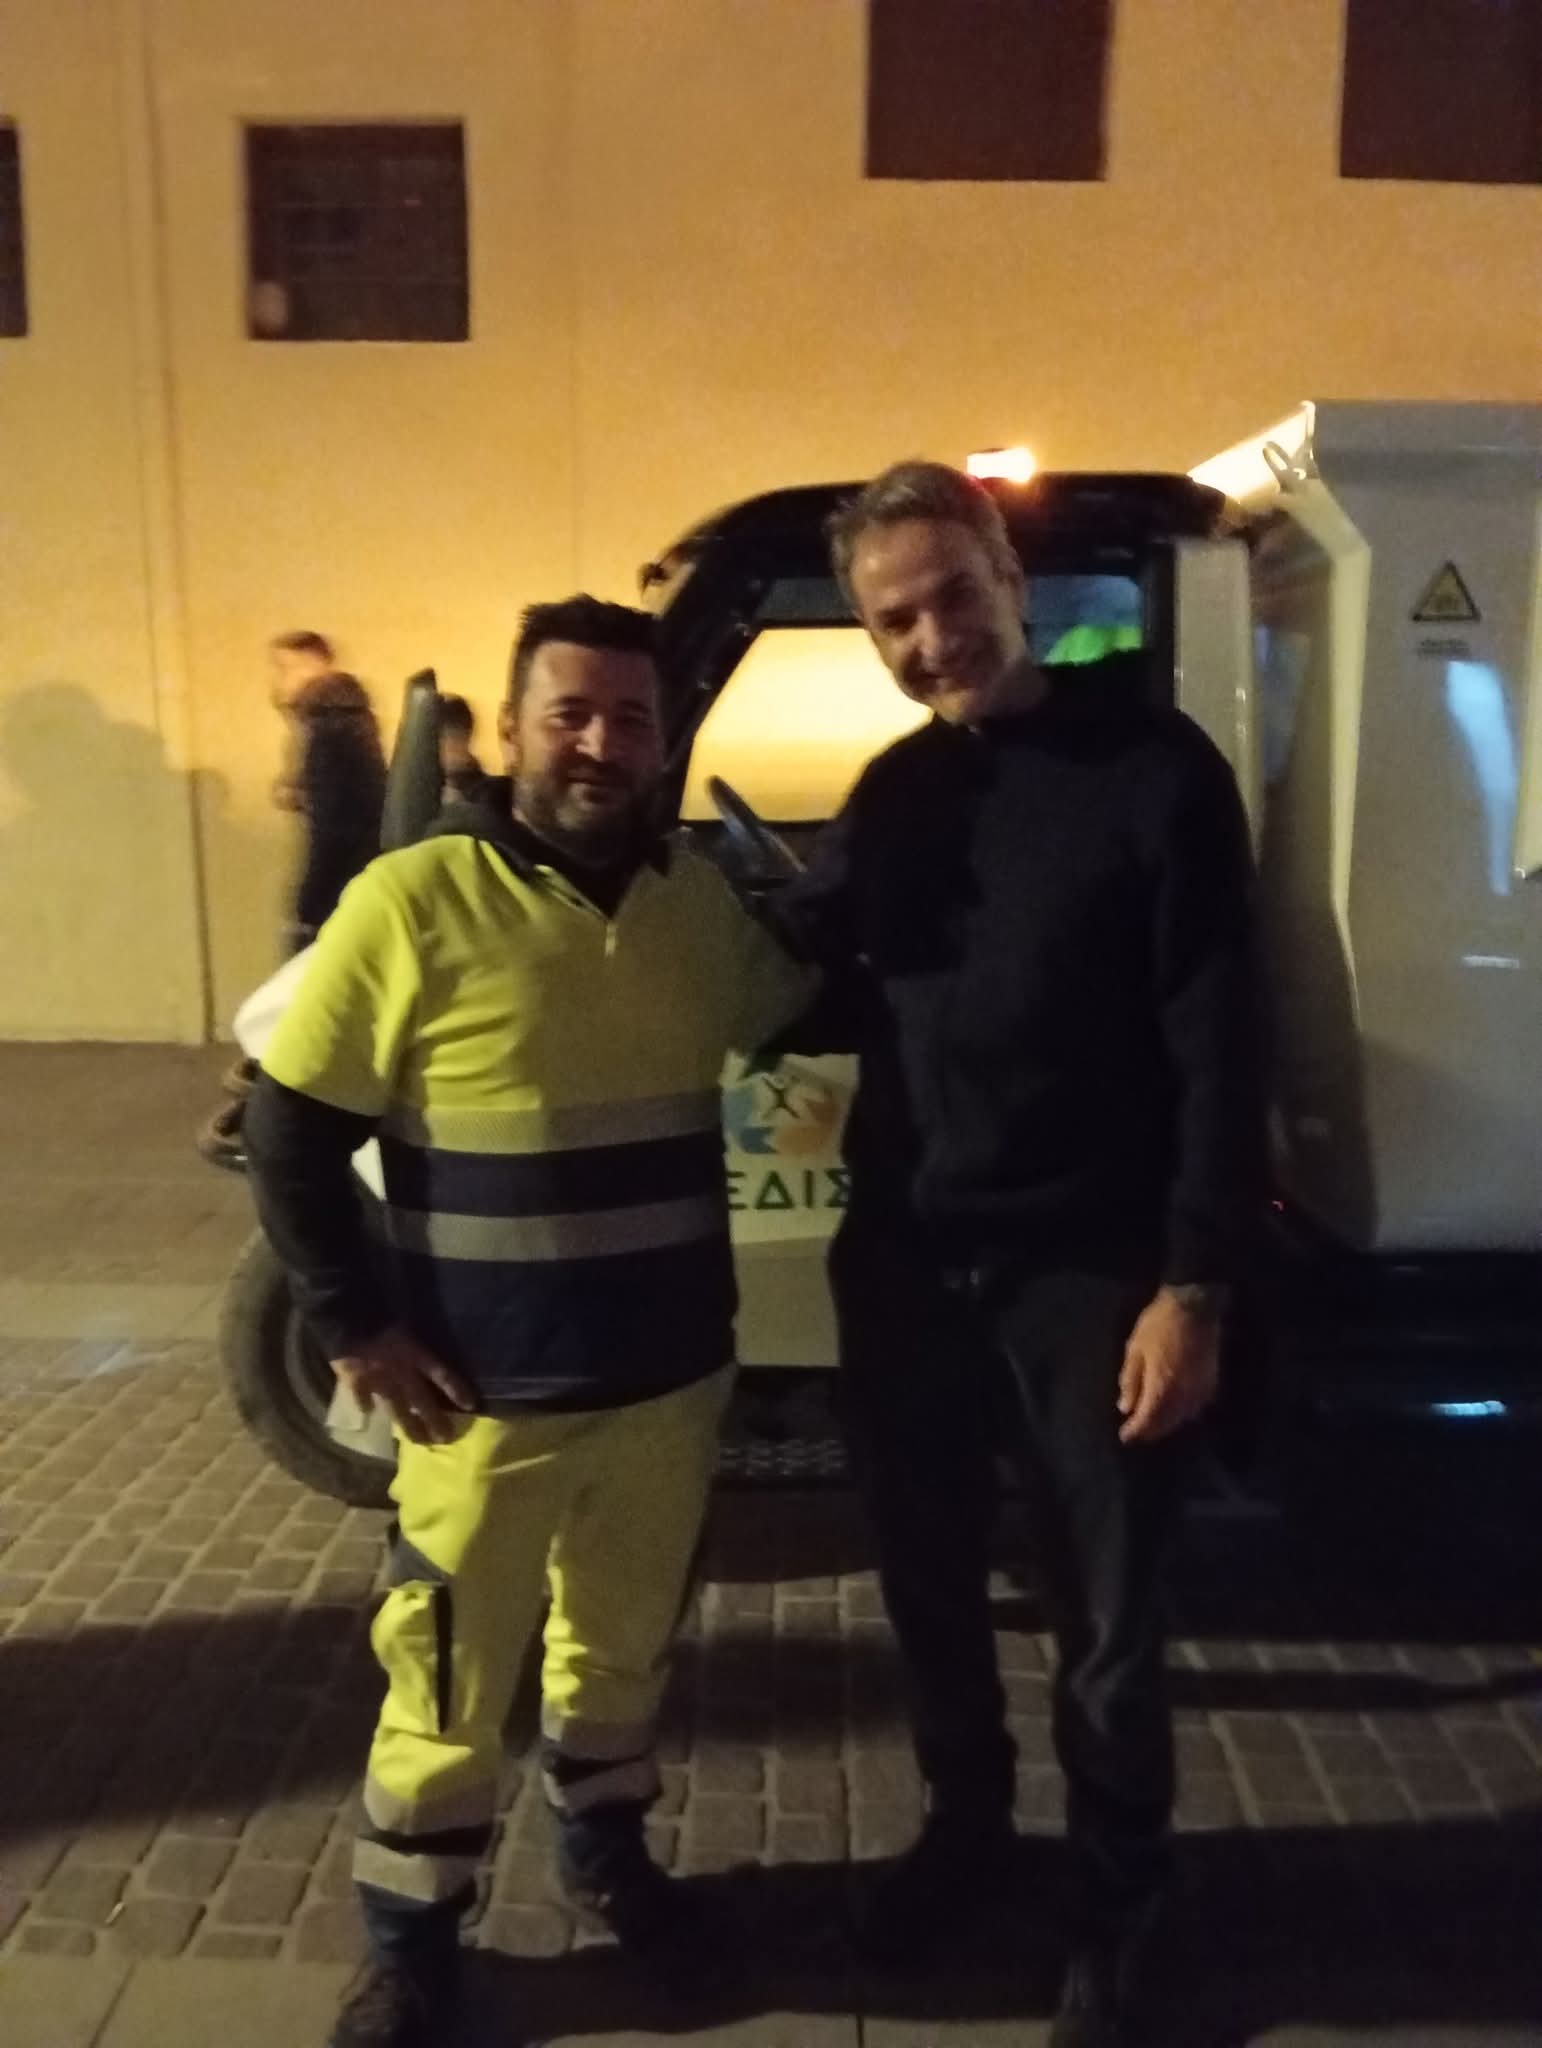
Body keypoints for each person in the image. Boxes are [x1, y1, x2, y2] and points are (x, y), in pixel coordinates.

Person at [245, 596, 811, 2048]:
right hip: (480, 1398)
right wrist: (354, 1326)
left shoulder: (697, 909)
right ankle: (409, 1942)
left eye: (630, 717)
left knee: (618, 1658)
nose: (600, 743)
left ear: (663, 738)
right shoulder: (415, 900)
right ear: (510, 728)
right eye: (570, 713)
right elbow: (290, 1126)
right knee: (445, 1677)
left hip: (666, 1386)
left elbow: (810, 1003)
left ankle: (609, 1859)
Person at [784, 462, 1265, 2047]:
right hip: (907, 1268)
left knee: (1105, 1628)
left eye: (952, 593)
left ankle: (1121, 1899)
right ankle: (968, 1835)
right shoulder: (890, 798)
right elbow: (805, 980)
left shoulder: (1152, 772)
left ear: (1007, 571)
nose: (932, 638)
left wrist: (1190, 1288)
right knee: (928, 1586)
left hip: (1090, 1277)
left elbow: (1218, 1046)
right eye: (893, 619)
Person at [198, 633, 387, 1169]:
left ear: (313, 664)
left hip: (335, 887)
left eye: (285, 667)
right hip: (350, 881)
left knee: (304, 1014)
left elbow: (336, 824)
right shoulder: (345, 720)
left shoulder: (328, 724)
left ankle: (302, 1131)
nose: (278, 681)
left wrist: (310, 905)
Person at [435, 691, 492, 806]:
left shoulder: (491, 795)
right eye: (442, 737)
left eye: (456, 736)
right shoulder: (417, 787)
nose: (450, 746)